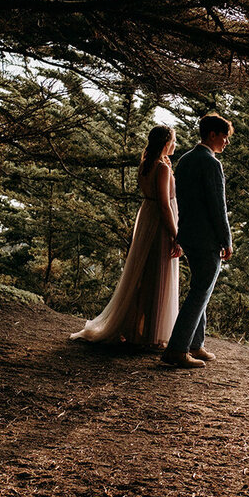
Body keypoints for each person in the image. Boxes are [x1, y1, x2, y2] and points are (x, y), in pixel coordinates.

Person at [70, 125, 183, 348]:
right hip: (159, 225)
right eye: (174, 140)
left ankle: (137, 331)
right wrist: (175, 235)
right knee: (157, 278)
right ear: (166, 142)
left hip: (147, 221)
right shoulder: (162, 168)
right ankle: (150, 335)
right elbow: (164, 204)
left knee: (143, 276)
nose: (175, 144)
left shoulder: (148, 165)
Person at [161, 113, 233, 369]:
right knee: (200, 291)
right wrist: (226, 239)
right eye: (224, 136)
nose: (226, 142)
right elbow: (217, 205)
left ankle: (195, 344)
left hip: (188, 234)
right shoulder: (211, 164)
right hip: (206, 238)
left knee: (200, 288)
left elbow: (183, 201)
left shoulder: (185, 160)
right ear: (212, 134)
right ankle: (177, 349)